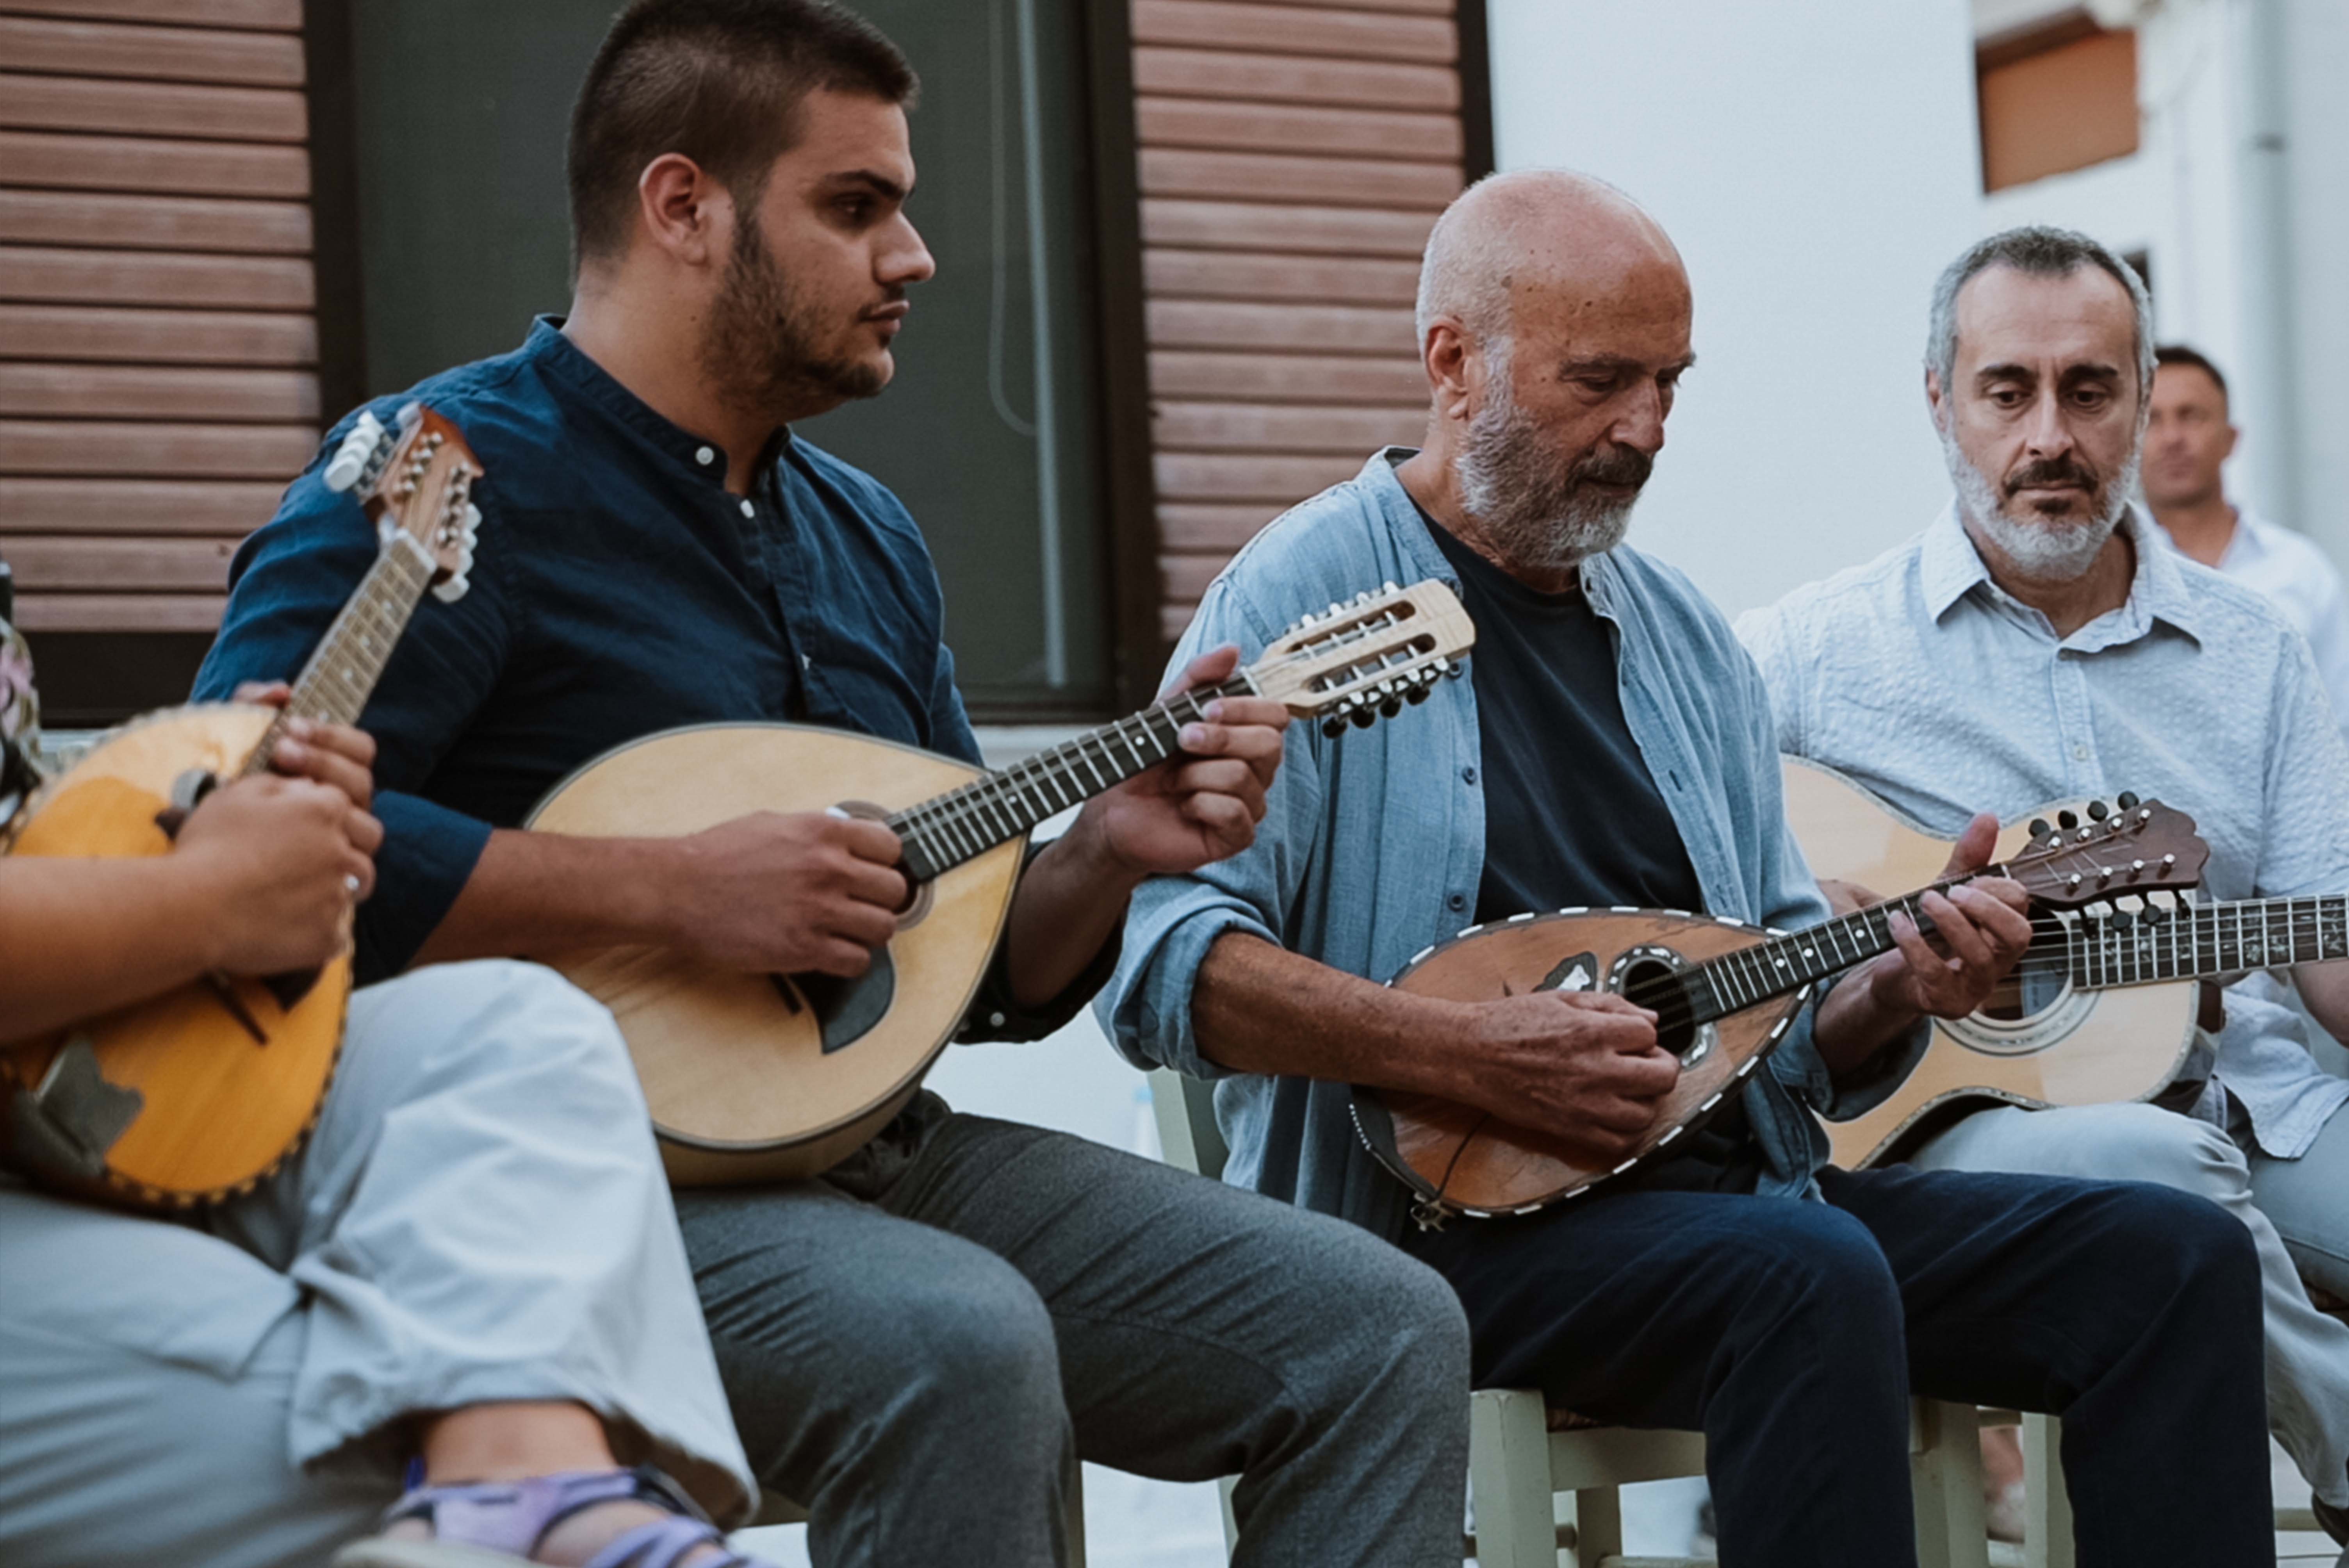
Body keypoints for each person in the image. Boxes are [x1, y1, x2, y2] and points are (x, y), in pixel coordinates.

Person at [192, 4, 1472, 1564]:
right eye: (856, 206)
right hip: (560, 1191)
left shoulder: (869, 537)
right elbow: (221, 818)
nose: (917, 254)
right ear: (684, 207)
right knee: (959, 1337)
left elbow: (960, 971)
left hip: (875, 1151)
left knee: (1377, 1327)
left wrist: (1103, 858)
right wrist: (671, 891)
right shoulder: (446, 473)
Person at [1104, 174, 2274, 1568]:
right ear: (1450, 362)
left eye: (1668, 382)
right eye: (1600, 381)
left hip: (1739, 1201)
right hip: (1426, 1238)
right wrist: (1467, 1052)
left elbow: (1788, 1039)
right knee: (1805, 1275)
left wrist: (1894, 988)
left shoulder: (1681, 640)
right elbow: (1159, 966)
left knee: (2164, 1259)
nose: (1644, 429)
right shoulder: (1298, 599)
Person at [1738, 225, 2349, 1546]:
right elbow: (1661, 862)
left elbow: (2324, 949)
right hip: (1956, 1119)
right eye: (2004, 390)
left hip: (2262, 1097)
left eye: (2088, 389)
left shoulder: (2255, 649)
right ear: (1938, 402)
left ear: (2141, 398)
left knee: (2197, 1154)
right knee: (2161, 1172)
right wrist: (1823, 915)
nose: (2047, 435)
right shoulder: (1806, 648)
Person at [0, 610, 772, 1568]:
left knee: (515, 1030)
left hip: (62, 1093)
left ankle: (515, 1487)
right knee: (371, 1412)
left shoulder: (867, 539)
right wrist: (204, 901)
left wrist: (196, 800)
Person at [2142, 342, 2349, 734]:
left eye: (2191, 416)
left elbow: (2340, 721)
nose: (2172, 438)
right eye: (2152, 420)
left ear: (2230, 438)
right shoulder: (2109, 572)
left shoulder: (2300, 569)